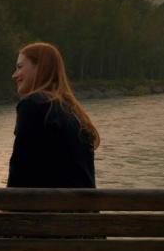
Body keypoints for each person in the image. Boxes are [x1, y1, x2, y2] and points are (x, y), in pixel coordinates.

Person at [8, 42, 99, 188]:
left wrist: (6, 204)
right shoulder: (72, 110)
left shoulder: (34, 104)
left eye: (19, 67)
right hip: (83, 208)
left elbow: (20, 165)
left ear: (39, 68)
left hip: (54, 208)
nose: (14, 75)